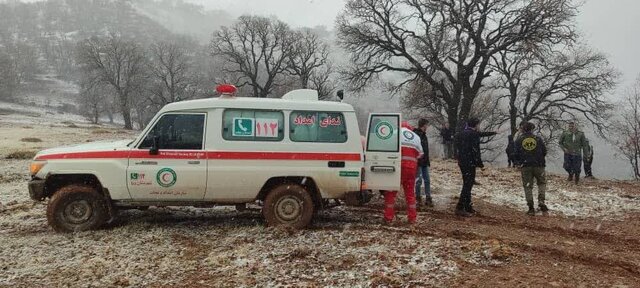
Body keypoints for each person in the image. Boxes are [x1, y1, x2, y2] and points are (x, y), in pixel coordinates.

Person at [383, 121, 423, 225]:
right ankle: (412, 218)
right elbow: (420, 154)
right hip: (411, 168)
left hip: (398, 167)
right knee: (410, 194)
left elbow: (387, 148)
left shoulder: (395, 133)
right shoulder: (416, 137)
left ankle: (388, 217)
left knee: (391, 192)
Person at [454, 118, 492, 217]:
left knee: (467, 183)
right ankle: (460, 207)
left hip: (462, 162)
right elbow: (475, 151)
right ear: (476, 125)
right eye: (479, 125)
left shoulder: (461, 133)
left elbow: (456, 146)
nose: (479, 127)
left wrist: (458, 157)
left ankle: (468, 206)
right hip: (469, 162)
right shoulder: (473, 135)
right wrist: (481, 165)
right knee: (468, 185)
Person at [515, 122, 548, 216]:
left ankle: (530, 208)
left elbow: (515, 153)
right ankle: (541, 200)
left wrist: (518, 162)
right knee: (541, 183)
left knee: (527, 186)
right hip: (539, 165)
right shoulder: (538, 139)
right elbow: (544, 151)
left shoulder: (519, 140)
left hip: (526, 166)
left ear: (523, 129)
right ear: (532, 129)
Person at [413, 118, 432, 207]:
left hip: (424, 162)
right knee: (419, 181)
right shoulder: (416, 135)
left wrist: (427, 160)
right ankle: (417, 198)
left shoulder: (424, 135)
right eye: (427, 125)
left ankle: (428, 197)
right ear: (424, 125)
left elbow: (426, 150)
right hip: (419, 161)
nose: (427, 127)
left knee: (427, 180)